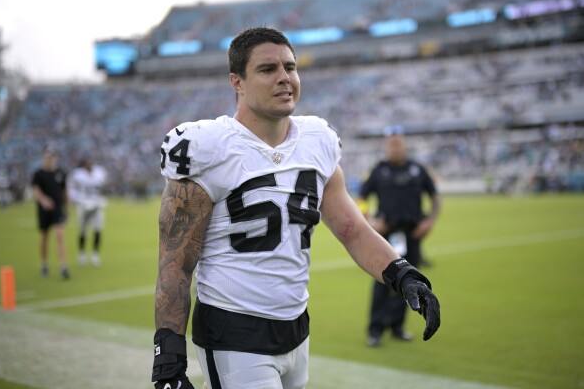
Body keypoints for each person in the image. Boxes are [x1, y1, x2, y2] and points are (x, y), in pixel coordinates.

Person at [152, 26, 441, 389]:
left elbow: (352, 230)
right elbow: (176, 263)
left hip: (296, 328)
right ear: (237, 81)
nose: (284, 78)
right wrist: (168, 360)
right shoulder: (208, 146)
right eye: (267, 69)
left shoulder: (317, 140)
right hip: (233, 331)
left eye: (290, 67)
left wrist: (402, 274)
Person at [357, 125, 441, 347]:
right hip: (387, 236)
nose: (394, 148)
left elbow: (435, 197)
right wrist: (369, 222)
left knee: (409, 280)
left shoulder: (418, 170)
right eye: (390, 144)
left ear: (405, 146)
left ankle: (397, 327)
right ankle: (375, 330)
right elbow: (362, 197)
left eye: (398, 143)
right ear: (386, 148)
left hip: (412, 235)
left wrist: (429, 221)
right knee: (382, 281)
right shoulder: (379, 171)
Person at [31, 145, 70, 279]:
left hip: (58, 208)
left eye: (52, 157)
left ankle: (63, 267)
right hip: (44, 210)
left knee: (60, 235)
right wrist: (43, 200)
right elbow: (35, 190)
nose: (50, 160)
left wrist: (67, 208)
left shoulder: (60, 173)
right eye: (47, 157)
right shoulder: (38, 174)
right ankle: (44, 264)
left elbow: (65, 192)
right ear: (43, 158)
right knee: (44, 236)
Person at [68, 155, 108, 267]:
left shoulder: (99, 172)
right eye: (88, 162)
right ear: (83, 163)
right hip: (83, 205)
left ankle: (95, 254)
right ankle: (82, 254)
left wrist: (103, 199)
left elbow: (103, 188)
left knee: (98, 229)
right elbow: (71, 190)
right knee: (82, 231)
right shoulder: (77, 174)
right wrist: (80, 201)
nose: (90, 164)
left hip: (96, 204)